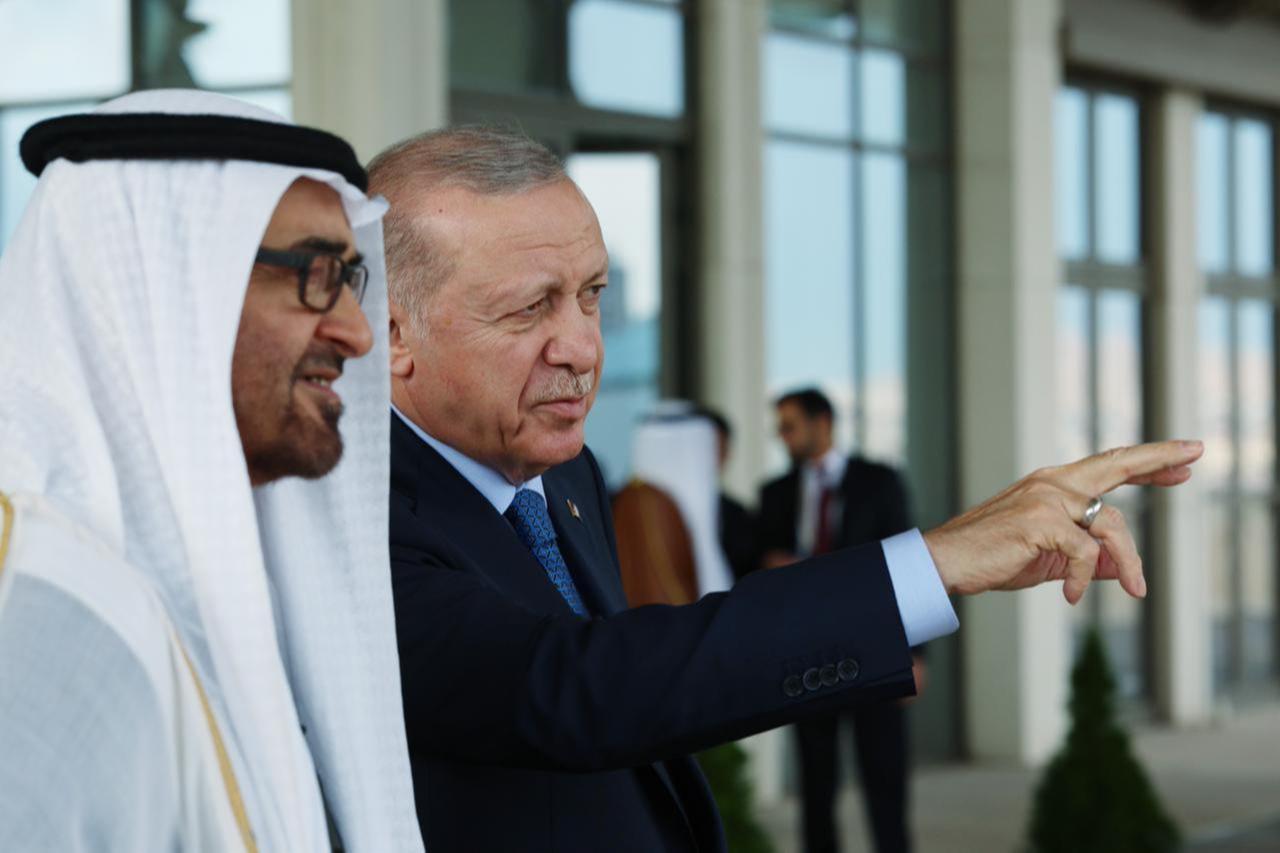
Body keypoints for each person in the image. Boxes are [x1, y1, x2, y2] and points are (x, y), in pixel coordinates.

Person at [369, 126, 1201, 853]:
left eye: (591, 297)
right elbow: (581, 689)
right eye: (528, 311)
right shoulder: (355, 521)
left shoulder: (563, 473)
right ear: (394, 334)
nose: (583, 349)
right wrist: (931, 563)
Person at [0, 91, 421, 852]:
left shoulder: (223, 582)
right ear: (168, 281)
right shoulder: (42, 607)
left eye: (349, 277)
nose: (359, 334)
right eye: (314, 273)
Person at [759, 387, 921, 853]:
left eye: (790, 426)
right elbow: (758, 564)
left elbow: (906, 563)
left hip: (876, 647)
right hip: (807, 656)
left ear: (821, 422)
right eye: (779, 428)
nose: (783, 437)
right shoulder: (775, 494)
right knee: (815, 787)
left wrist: (917, 650)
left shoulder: (879, 482)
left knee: (885, 782)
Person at [699, 407, 760, 583]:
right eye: (706, 448)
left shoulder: (739, 515)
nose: (713, 457)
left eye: (720, 448)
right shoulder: (656, 510)